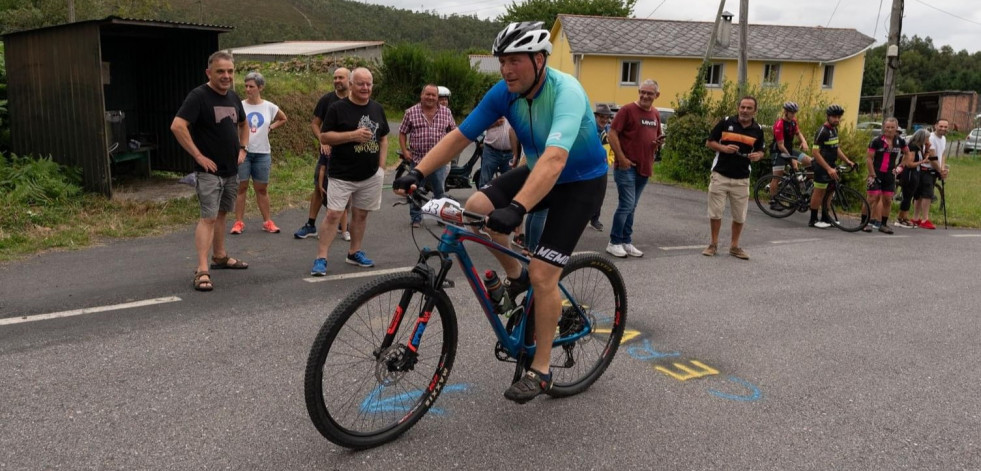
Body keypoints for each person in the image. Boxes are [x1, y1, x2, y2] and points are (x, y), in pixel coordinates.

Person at [392, 21, 608, 404]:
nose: (506, 69)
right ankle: (516, 275)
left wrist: (518, 207)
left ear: (539, 60)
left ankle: (541, 370)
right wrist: (418, 170)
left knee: (546, 272)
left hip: (580, 182)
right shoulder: (505, 93)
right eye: (502, 61)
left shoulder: (567, 93)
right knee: (476, 207)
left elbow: (557, 158)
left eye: (514, 61)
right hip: (539, 168)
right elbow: (460, 136)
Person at [170, 51, 250, 292]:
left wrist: (243, 147)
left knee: (222, 214)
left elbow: (243, 123)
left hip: (230, 169)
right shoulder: (199, 96)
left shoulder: (234, 97)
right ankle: (202, 269)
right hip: (209, 171)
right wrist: (198, 155)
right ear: (209, 72)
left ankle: (220, 256)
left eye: (230, 71)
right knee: (208, 217)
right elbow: (178, 126)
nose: (226, 76)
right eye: (220, 72)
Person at [310, 67, 389, 275]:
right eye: (360, 83)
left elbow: (383, 137)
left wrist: (381, 165)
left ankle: (354, 252)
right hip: (342, 173)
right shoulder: (337, 108)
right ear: (351, 85)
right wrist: (352, 135)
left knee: (361, 215)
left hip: (370, 174)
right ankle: (321, 257)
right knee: (333, 214)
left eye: (369, 84)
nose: (365, 87)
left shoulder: (377, 108)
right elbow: (325, 137)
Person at [702, 96, 766, 260]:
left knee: (739, 216)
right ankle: (713, 244)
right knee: (715, 213)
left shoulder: (757, 129)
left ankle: (734, 246)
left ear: (754, 111)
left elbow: (761, 151)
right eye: (742, 107)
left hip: (742, 178)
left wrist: (757, 156)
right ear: (738, 108)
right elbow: (709, 142)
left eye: (748, 108)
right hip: (720, 175)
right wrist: (724, 148)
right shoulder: (726, 122)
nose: (744, 110)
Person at [606, 80, 663, 258]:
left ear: (657, 96)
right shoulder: (627, 110)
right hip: (627, 167)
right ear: (638, 91)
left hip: (645, 167)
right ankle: (614, 242)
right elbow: (612, 133)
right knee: (626, 205)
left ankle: (626, 241)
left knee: (632, 206)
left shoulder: (655, 114)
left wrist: (658, 143)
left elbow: (657, 135)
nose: (645, 96)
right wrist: (621, 159)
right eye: (643, 92)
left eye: (650, 93)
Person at [295, 68, 351, 239]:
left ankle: (344, 227)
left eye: (340, 77)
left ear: (349, 79)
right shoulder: (327, 99)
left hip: (350, 153)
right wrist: (323, 140)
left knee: (348, 190)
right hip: (328, 153)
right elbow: (315, 124)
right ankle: (311, 225)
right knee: (319, 187)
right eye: (334, 78)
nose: (337, 80)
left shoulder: (356, 99)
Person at [231, 71, 288, 235]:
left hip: (262, 153)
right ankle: (238, 222)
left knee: (261, 188)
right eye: (246, 86)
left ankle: (267, 221)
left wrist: (271, 127)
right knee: (241, 187)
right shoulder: (239, 105)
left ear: (260, 87)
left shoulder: (269, 106)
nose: (248, 89)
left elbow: (283, 118)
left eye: (251, 86)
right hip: (243, 152)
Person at [398, 84, 457, 227]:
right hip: (418, 160)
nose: (430, 97)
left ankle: (441, 218)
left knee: (439, 191)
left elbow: (454, 132)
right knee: (415, 190)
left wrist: (450, 151)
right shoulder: (411, 112)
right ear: (421, 95)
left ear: (438, 97)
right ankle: (416, 218)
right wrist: (405, 151)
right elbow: (402, 132)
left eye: (433, 95)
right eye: (428, 94)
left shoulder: (446, 113)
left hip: (439, 161)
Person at [807, 104, 858, 229]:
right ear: (828, 116)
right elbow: (815, 153)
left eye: (838, 117)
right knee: (819, 192)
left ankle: (825, 218)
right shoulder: (822, 131)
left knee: (830, 192)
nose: (837, 119)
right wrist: (828, 168)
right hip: (821, 166)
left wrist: (847, 160)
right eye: (834, 117)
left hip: (831, 165)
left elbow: (836, 148)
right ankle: (813, 220)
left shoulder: (834, 130)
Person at [862, 117, 909, 234]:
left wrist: (900, 167)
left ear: (896, 128)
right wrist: (872, 174)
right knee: (872, 198)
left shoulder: (900, 141)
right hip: (876, 173)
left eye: (892, 127)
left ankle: (883, 224)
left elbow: (907, 154)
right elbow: (868, 158)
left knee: (887, 200)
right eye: (887, 127)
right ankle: (864, 222)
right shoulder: (876, 140)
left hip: (889, 174)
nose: (890, 130)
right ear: (884, 127)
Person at [768, 101, 812, 210]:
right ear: (785, 112)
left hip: (789, 150)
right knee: (776, 177)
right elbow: (781, 145)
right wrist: (792, 159)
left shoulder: (793, 121)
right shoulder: (779, 125)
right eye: (791, 113)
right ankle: (773, 201)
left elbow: (798, 133)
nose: (793, 115)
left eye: (794, 113)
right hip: (778, 152)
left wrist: (804, 141)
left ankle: (797, 187)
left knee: (811, 162)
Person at [913, 119, 950, 230]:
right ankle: (924, 219)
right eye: (941, 126)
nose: (943, 128)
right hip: (926, 169)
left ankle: (916, 218)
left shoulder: (943, 138)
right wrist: (940, 171)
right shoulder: (931, 138)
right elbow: (933, 158)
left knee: (921, 195)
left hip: (934, 170)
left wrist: (942, 168)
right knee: (926, 195)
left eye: (945, 127)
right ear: (935, 126)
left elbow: (942, 154)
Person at [895, 129, 930, 228]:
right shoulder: (913, 147)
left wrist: (927, 148)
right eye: (927, 138)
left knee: (909, 196)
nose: (928, 140)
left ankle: (903, 217)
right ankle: (902, 218)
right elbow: (909, 164)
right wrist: (922, 162)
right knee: (907, 196)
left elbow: (926, 156)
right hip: (910, 174)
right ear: (922, 138)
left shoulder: (920, 147)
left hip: (915, 173)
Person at [588, 103, 615, 231]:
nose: (604, 120)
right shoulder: (589, 129)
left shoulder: (608, 130)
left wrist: (610, 159)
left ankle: (594, 219)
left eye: (607, 117)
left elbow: (611, 149)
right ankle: (579, 219)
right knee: (583, 194)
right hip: (587, 167)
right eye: (601, 117)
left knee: (599, 195)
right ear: (596, 116)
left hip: (602, 167)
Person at [480, 117, 519, 188]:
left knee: (510, 185)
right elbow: (480, 124)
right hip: (491, 151)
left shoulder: (516, 109)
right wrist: (494, 123)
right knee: (485, 183)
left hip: (510, 153)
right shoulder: (494, 107)